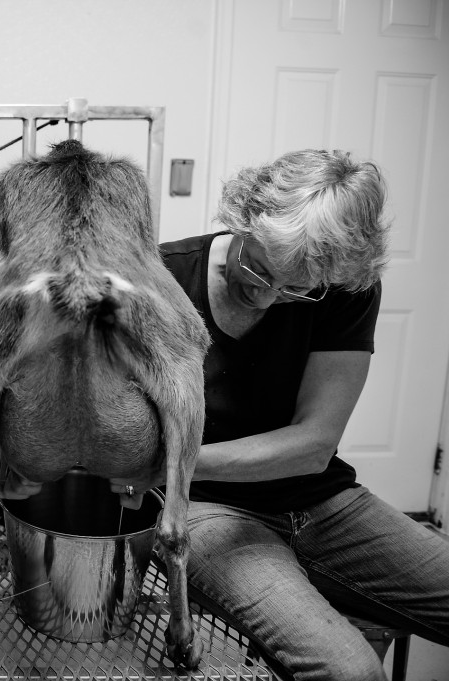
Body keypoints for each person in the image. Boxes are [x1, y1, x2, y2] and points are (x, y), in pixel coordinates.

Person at [132, 149, 449, 680]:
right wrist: (161, 472)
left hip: (321, 498)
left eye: (297, 291)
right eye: (260, 270)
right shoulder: (160, 276)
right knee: (351, 671)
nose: (267, 295)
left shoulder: (344, 286)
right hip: (207, 508)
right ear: (241, 217)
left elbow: (312, 445)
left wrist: (169, 462)